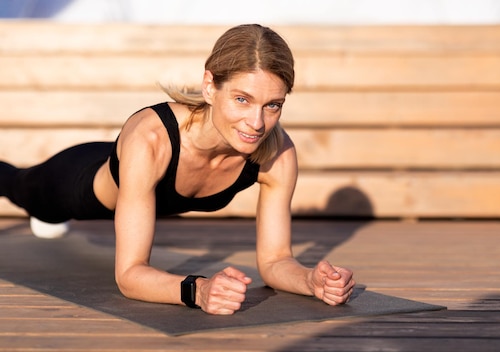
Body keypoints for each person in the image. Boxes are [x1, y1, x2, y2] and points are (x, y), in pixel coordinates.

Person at [0, 24, 355, 315]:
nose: (257, 122)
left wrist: (310, 281)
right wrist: (198, 290)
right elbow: (129, 274)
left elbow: (276, 260)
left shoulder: (276, 154)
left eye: (273, 105)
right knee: (16, 185)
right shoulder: (151, 138)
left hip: (130, 186)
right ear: (209, 86)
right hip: (75, 184)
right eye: (241, 99)